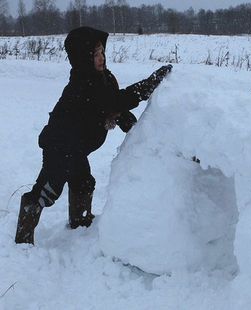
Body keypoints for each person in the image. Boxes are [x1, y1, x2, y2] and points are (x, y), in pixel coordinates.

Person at [15, 27, 172, 244]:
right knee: (47, 191)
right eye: (95, 54)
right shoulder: (83, 84)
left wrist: (129, 123)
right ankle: (23, 238)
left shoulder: (102, 78)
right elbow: (114, 101)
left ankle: (80, 224)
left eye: (102, 52)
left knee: (83, 182)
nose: (101, 58)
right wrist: (149, 84)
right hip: (61, 147)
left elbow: (109, 105)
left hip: (76, 149)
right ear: (82, 58)